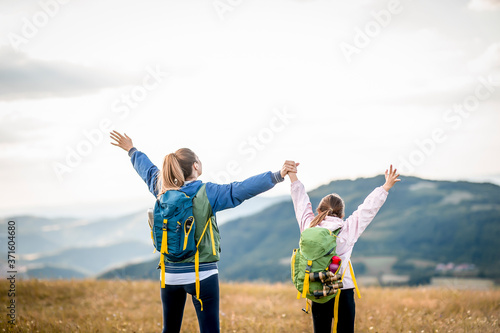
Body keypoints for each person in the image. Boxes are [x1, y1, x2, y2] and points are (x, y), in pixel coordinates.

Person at [109, 130, 298, 333]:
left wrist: (132, 150)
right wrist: (277, 176)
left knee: (169, 330)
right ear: (195, 166)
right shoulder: (207, 193)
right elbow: (241, 189)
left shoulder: (161, 187)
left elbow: (147, 170)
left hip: (169, 274)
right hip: (202, 274)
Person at [288, 165, 400, 333]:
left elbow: (301, 203)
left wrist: (293, 177)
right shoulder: (347, 229)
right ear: (341, 214)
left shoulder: (308, 226)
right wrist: (385, 187)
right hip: (343, 289)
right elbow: (367, 209)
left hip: (317, 288)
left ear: (319, 210)